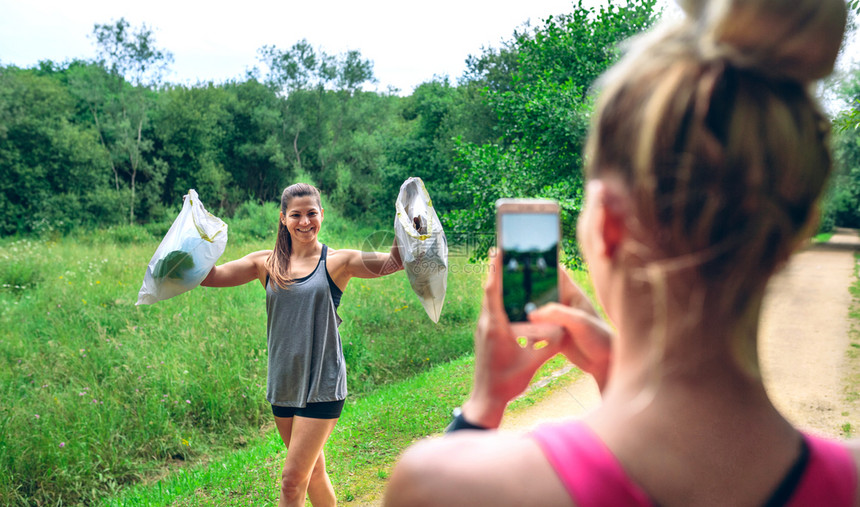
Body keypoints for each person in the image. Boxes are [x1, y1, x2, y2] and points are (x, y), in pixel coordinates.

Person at [384, 0, 859, 505]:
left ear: (608, 226)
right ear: (792, 234)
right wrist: (618, 376)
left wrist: (483, 404)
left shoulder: (446, 485)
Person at [201, 182, 402, 507]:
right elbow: (210, 276)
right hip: (283, 385)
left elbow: (394, 263)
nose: (304, 222)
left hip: (322, 383)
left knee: (292, 481)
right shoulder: (265, 264)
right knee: (314, 473)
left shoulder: (339, 262)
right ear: (283, 218)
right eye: (296, 215)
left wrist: (406, 224)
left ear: (321, 214)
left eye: (311, 214)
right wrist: (192, 237)